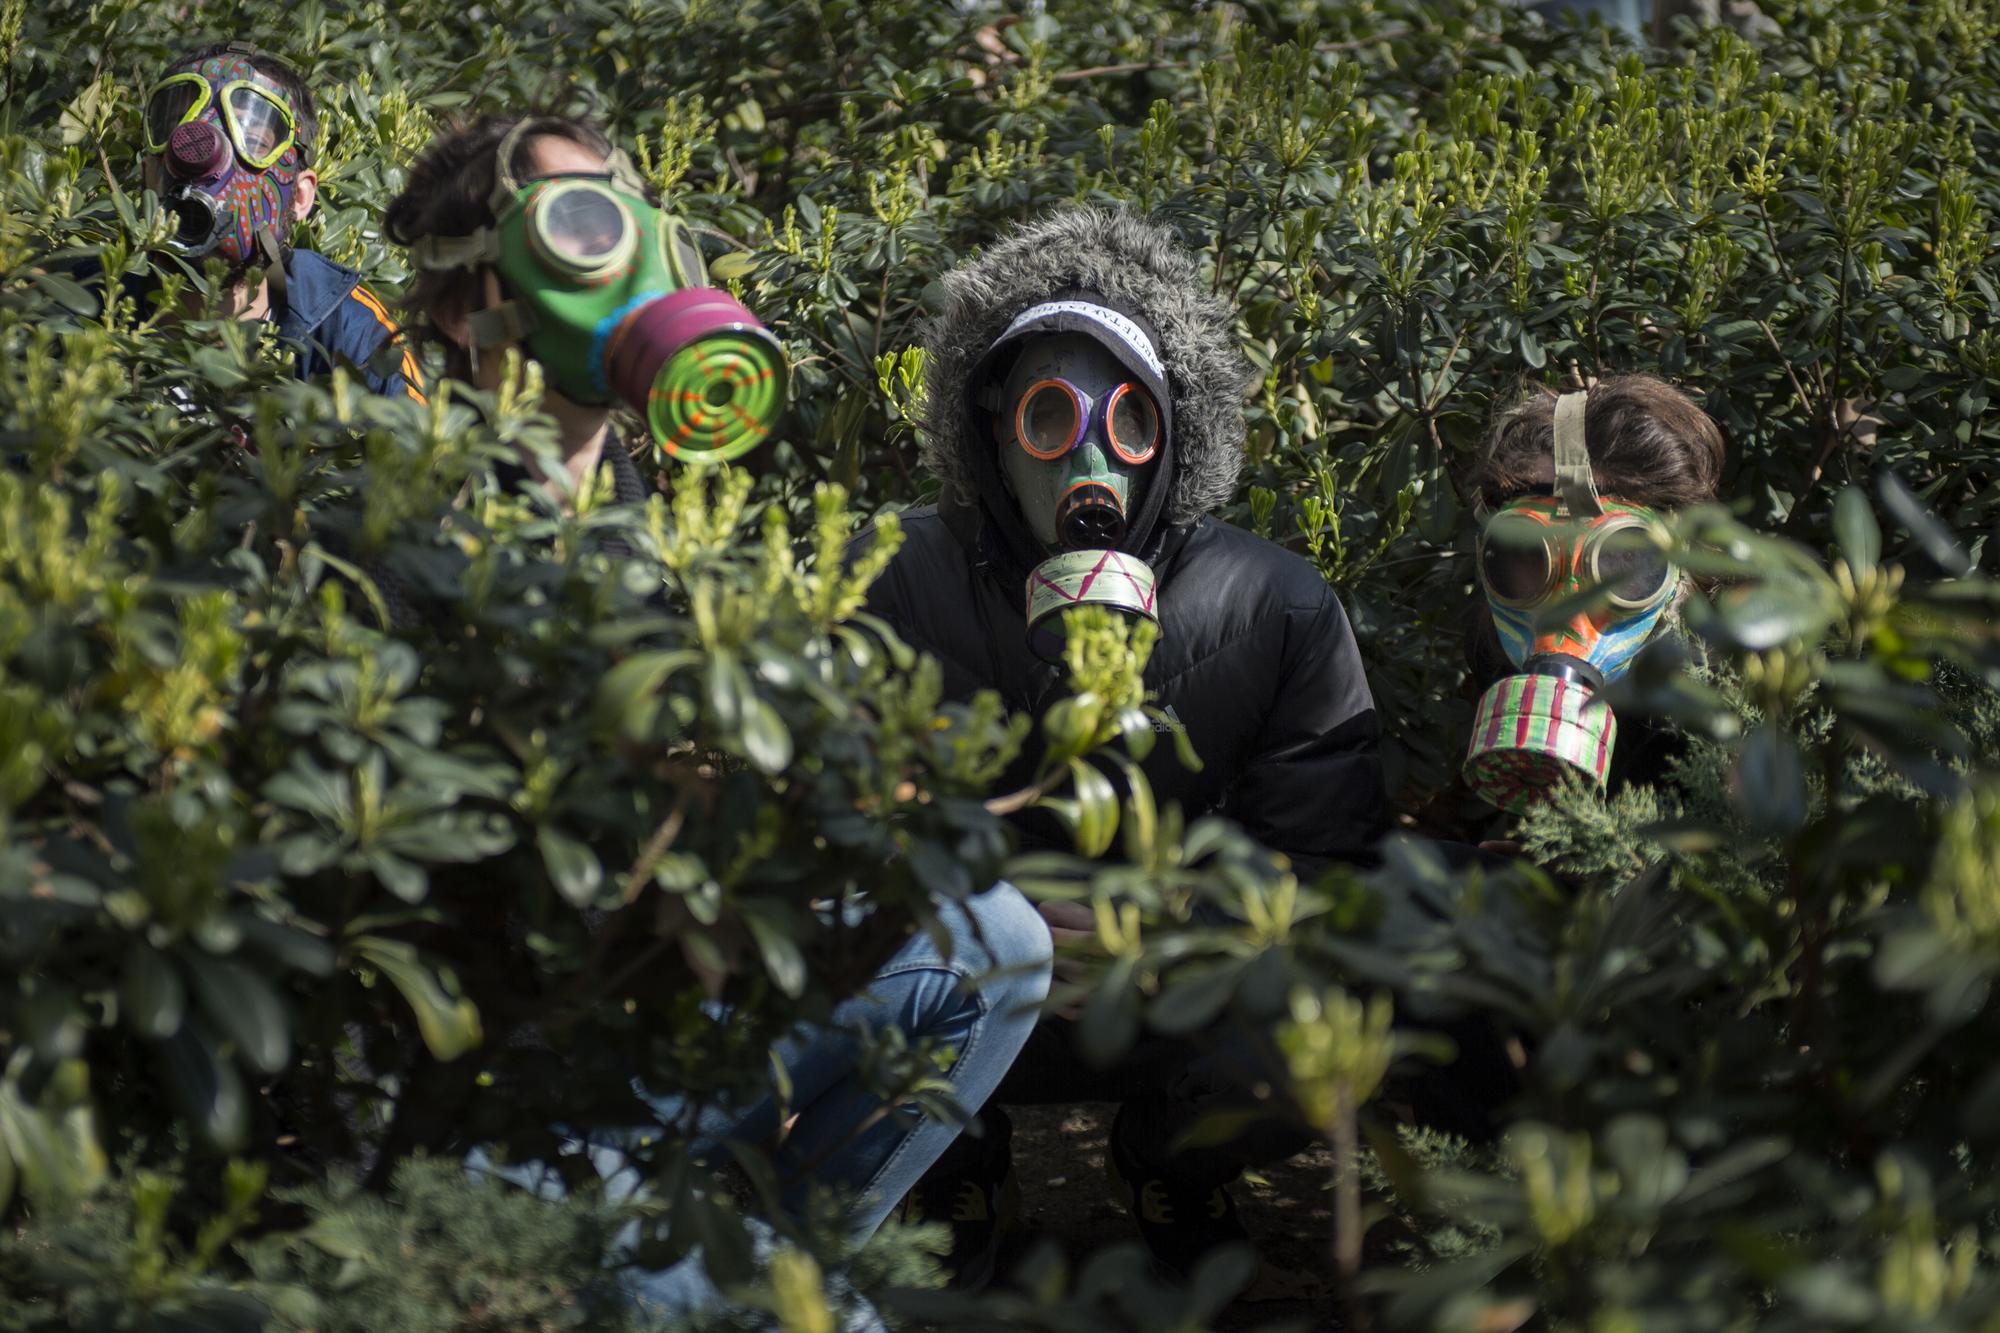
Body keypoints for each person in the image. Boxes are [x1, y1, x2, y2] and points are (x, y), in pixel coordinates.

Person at [382, 111, 1053, 1313]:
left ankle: (773, 1254)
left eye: (633, 224)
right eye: (579, 228)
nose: (630, 263)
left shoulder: (642, 517)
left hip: (676, 1043)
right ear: (460, 302)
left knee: (995, 940)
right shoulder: (419, 535)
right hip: (530, 1102)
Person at [861, 206, 1388, 1281]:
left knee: (1349, 990)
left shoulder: (1273, 605)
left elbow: (1326, 853)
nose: (1087, 455)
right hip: (961, 976)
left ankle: (1173, 1160)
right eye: (1048, 418)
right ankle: (950, 1161)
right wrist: (982, 915)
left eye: (1126, 420)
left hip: (1177, 988)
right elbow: (829, 821)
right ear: (989, 430)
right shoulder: (888, 580)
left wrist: (1183, 922)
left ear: (1173, 434)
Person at [1459, 375, 1726, 814]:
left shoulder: (1726, 695)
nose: (1566, 615)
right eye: (1529, 551)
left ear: (1682, 573)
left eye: (1618, 559)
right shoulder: (1488, 646)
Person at [128, 40, 422, 401]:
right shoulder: (81, 298)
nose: (198, 155)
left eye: (250, 140)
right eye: (179, 129)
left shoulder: (349, 332)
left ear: (301, 196)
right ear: (147, 175)